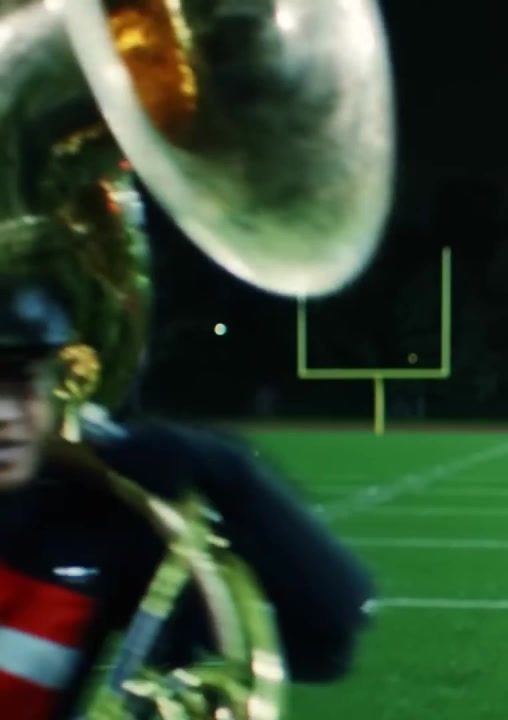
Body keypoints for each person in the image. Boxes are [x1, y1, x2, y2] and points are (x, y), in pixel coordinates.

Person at [0, 278, 376, 719]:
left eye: (23, 382)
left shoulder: (84, 520)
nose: (4, 414)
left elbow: (324, 641)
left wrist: (226, 471)